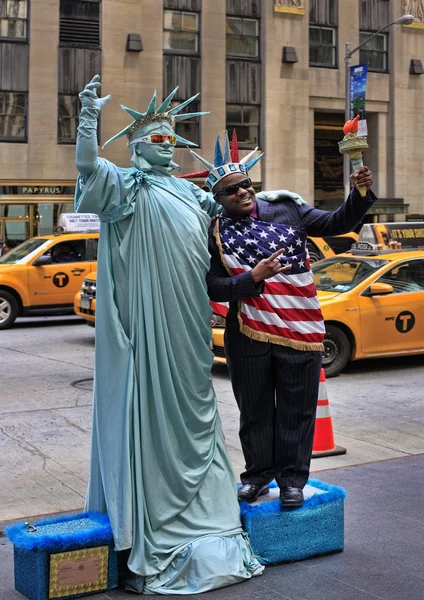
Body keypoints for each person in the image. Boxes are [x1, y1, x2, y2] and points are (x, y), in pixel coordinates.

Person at [74, 76, 308, 594]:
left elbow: (228, 204)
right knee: (157, 407)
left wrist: (274, 197)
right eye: (154, 137)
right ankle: (161, 510)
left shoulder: (188, 192)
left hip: (190, 322)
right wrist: (87, 116)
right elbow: (88, 169)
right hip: (150, 321)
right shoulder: (126, 186)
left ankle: (207, 503)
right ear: (135, 145)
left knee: (198, 404)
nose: (163, 144)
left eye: (170, 137)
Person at [187, 131, 375, 509]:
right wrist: (252, 278)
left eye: (245, 184)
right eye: (231, 190)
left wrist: (358, 195)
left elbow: (338, 221)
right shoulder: (214, 231)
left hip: (299, 328)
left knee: (296, 409)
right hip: (249, 332)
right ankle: (257, 477)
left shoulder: (289, 209)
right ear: (219, 200)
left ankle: (292, 481)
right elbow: (212, 285)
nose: (242, 191)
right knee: (254, 411)